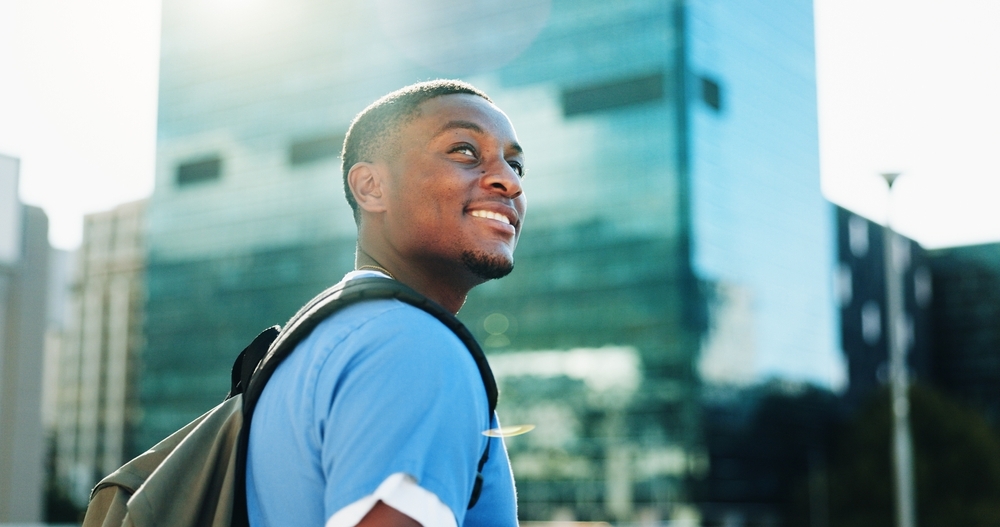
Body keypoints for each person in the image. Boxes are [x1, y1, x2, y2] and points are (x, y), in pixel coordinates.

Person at [245, 80, 526, 527]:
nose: (509, 181)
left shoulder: (314, 347)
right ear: (372, 187)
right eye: (464, 151)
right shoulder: (415, 345)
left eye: (515, 165)